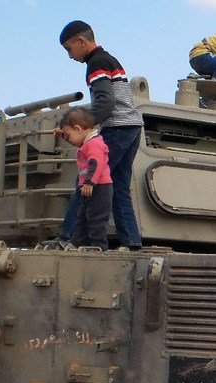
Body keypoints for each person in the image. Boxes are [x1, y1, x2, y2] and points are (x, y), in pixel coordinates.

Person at [51, 20, 143, 250]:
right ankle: (132, 242)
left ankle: (68, 239)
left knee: (87, 179)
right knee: (119, 187)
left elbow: (106, 101)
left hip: (116, 128)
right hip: (132, 127)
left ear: (81, 41)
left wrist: (78, 125)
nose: (70, 56)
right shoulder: (110, 59)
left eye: (69, 49)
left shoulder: (96, 63)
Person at [57, 109, 112, 248]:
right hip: (88, 188)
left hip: (99, 187)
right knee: (82, 217)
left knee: (96, 218)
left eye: (68, 136)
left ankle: (98, 245)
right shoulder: (87, 143)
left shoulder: (94, 144)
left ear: (78, 129)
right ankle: (77, 242)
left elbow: (97, 163)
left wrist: (89, 182)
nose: (68, 140)